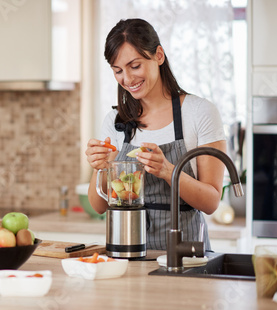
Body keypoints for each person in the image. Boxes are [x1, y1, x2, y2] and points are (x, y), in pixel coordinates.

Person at [85, 18, 227, 250]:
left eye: (135, 66)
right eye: (118, 70)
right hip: (127, 254)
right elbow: (99, 206)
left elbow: (211, 202)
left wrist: (167, 171)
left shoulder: (200, 112)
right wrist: (98, 167)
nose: (127, 80)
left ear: (158, 55)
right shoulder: (115, 120)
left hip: (186, 257)